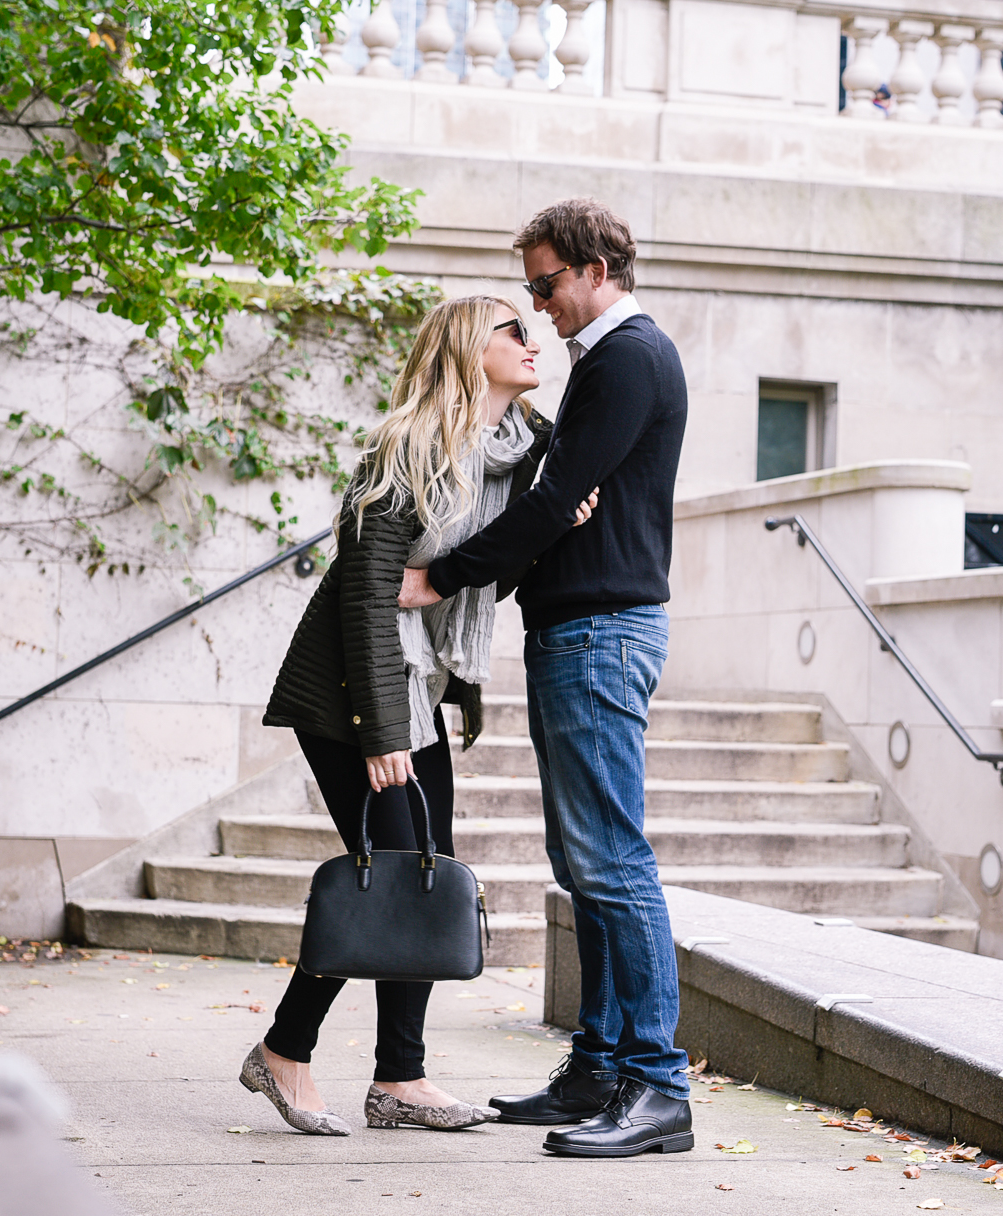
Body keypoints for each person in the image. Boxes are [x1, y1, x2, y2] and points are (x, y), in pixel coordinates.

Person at [239, 294, 597, 1136]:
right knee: (396, 873)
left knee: (422, 873)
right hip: (349, 698)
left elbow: (493, 568)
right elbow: (367, 596)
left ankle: (399, 1077)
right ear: (469, 352)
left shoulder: (527, 452)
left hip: (424, 689)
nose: (532, 338)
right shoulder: (407, 450)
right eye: (512, 329)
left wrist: (552, 529)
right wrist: (382, 733)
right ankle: (288, 1052)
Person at [398, 199, 692, 1158]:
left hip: (602, 632)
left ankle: (657, 1086)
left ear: (598, 267)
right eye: (531, 291)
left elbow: (561, 498)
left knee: (613, 862)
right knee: (584, 866)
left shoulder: (629, 359)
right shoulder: (604, 367)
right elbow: (550, 499)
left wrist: (440, 577)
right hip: (577, 629)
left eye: (546, 285)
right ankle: (599, 1067)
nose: (540, 307)